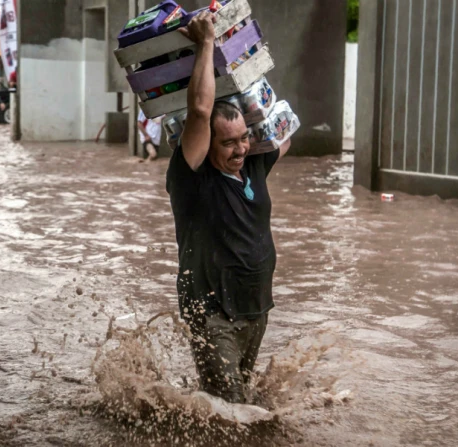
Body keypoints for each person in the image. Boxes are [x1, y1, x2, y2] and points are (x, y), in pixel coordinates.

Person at [166, 11, 292, 404]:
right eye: (228, 143)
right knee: (231, 411)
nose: (239, 149)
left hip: (256, 309)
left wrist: (246, 73)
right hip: (212, 310)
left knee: (234, 403)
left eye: (243, 139)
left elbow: (281, 130)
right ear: (206, 145)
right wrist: (206, 43)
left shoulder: (253, 162)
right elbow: (201, 112)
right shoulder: (192, 177)